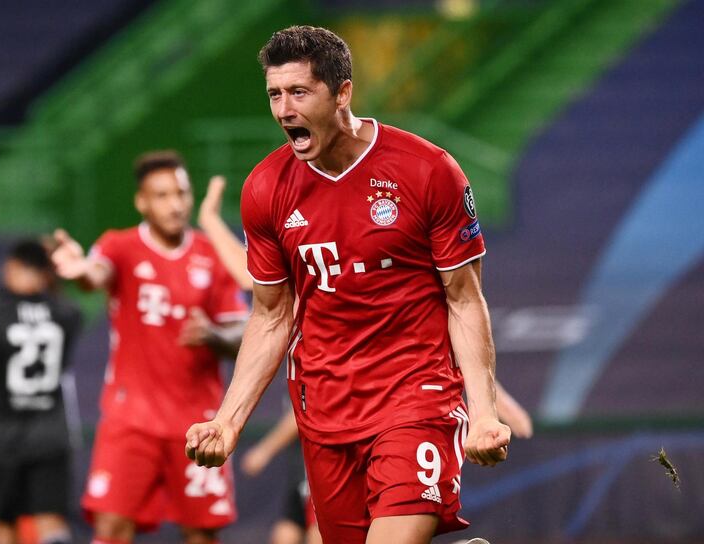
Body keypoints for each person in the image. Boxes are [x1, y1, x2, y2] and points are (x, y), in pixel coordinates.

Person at [186, 25, 512, 544]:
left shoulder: (427, 171)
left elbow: (464, 298)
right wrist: (227, 421)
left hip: (416, 398)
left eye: (299, 92)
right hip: (325, 410)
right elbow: (271, 316)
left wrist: (484, 414)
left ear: (342, 93)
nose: (284, 109)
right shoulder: (265, 189)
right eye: (275, 94)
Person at [200, 176, 533, 544]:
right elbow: (258, 294)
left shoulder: (416, 191)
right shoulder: (289, 239)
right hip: (327, 419)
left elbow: (459, 317)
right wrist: (211, 221)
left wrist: (487, 406)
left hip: (410, 405)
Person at [51, 150, 248, 544]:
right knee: (110, 528)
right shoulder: (119, 246)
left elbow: (245, 334)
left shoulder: (213, 255)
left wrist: (212, 334)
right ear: (141, 201)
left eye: (181, 193)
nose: (175, 205)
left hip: (198, 421)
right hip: (130, 419)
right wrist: (80, 272)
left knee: (202, 533)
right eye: (161, 195)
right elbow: (96, 273)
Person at [0, 240, 82, 544]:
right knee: (51, 519)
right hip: (53, 431)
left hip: (6, 433)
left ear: (10, 265)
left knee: (3, 519)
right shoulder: (65, 312)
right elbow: (61, 301)